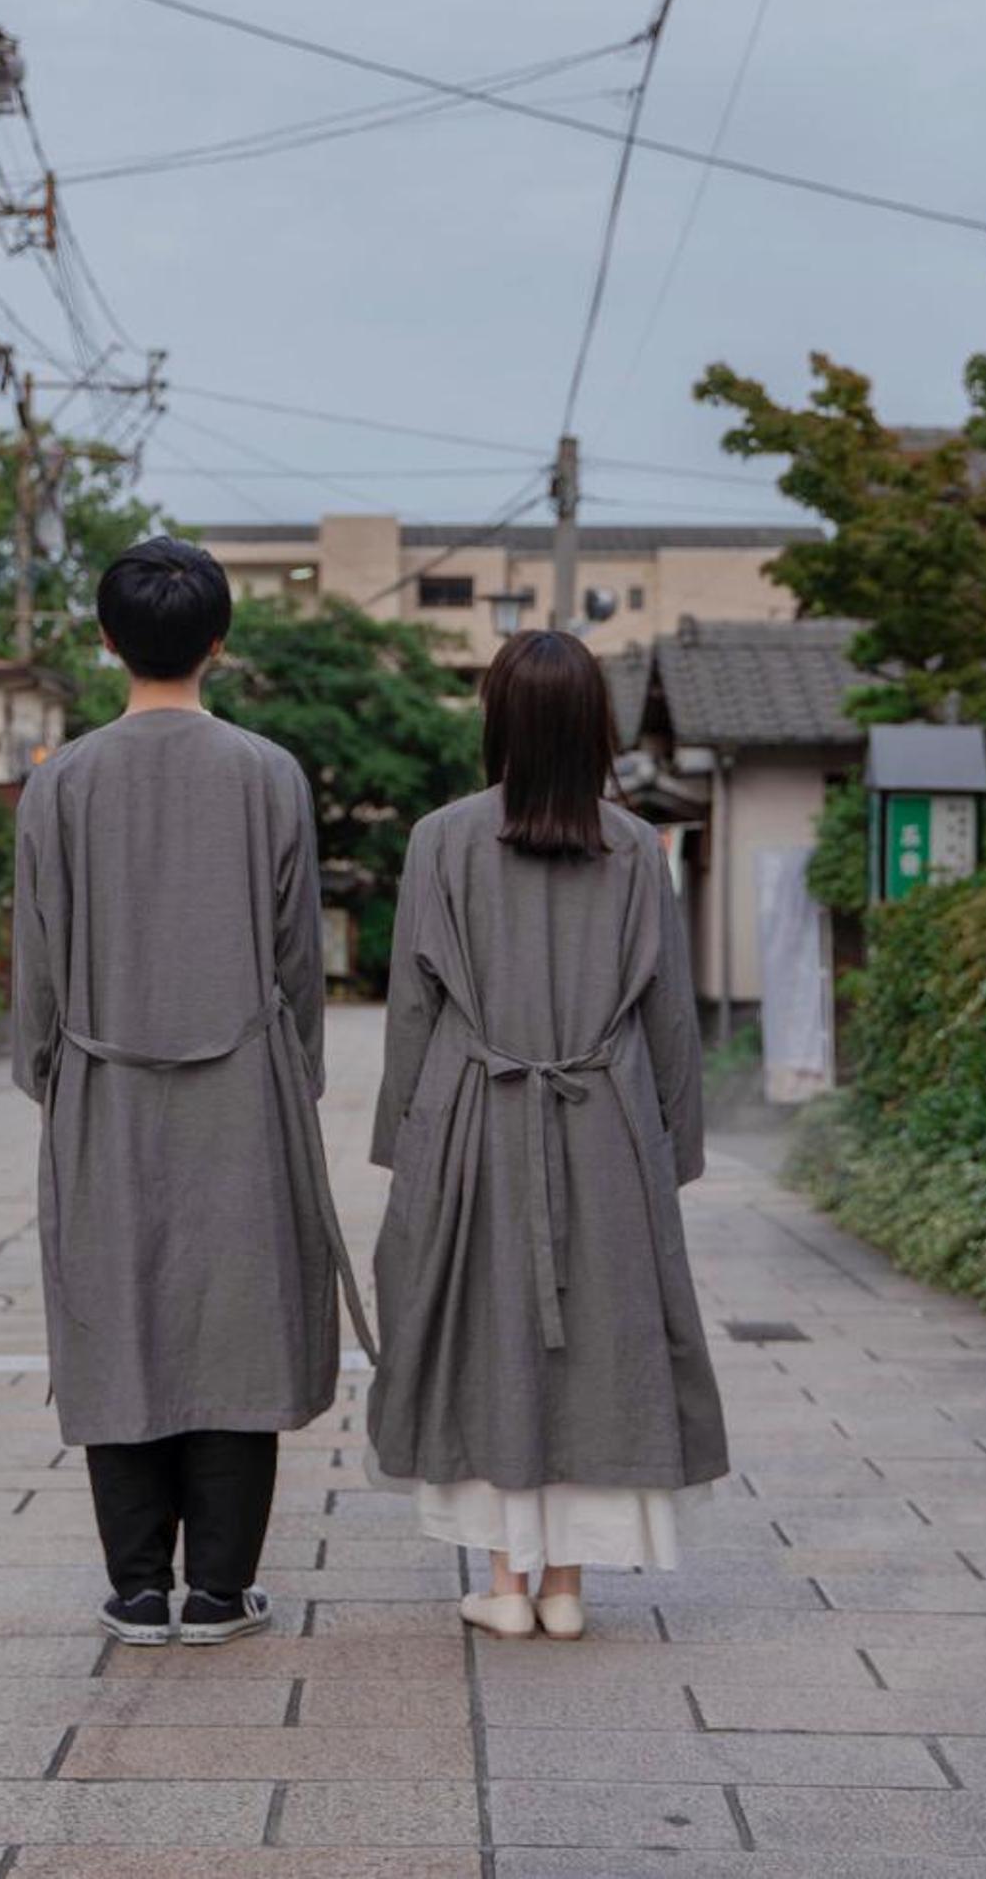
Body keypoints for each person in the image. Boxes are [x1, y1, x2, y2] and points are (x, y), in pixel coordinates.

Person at [12, 537, 373, 1647]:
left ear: (107, 639)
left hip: (102, 1083)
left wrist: (49, 1074)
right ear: (219, 642)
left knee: (116, 1311)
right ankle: (219, 1589)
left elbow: (38, 959)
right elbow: (293, 956)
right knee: (237, 1323)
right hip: (242, 1083)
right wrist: (295, 1075)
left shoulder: (61, 781)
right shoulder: (268, 773)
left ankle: (136, 1588)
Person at [366, 628, 728, 1639]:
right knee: (597, 1345)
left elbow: (412, 1009)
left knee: (486, 1337)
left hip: (478, 1113)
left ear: (498, 722)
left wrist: (408, 1142)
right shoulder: (634, 850)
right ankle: (567, 1588)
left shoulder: (439, 839)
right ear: (594, 729)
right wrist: (670, 1150)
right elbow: (670, 1021)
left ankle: (506, 1585)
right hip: (605, 1122)